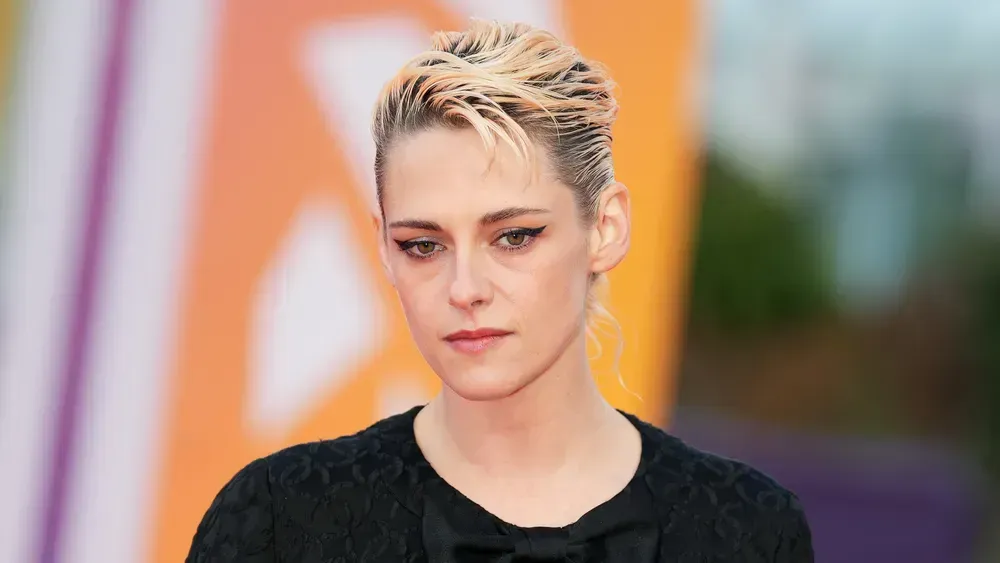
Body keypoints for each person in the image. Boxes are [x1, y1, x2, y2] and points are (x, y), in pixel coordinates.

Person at [185, 19, 814, 563]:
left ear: (606, 228)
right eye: (423, 245)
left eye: (513, 237)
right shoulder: (280, 520)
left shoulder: (748, 532)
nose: (465, 289)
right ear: (383, 247)